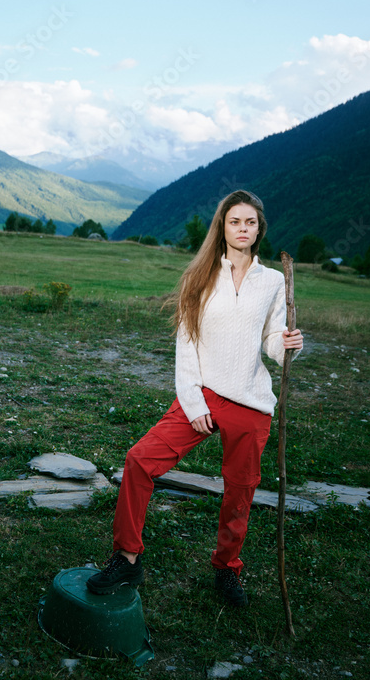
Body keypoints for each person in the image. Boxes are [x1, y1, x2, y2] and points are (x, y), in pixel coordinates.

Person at [87, 190, 303, 607]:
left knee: (239, 492)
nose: (243, 229)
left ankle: (226, 568)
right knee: (139, 460)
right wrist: (195, 403)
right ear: (222, 226)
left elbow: (272, 342)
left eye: (251, 223)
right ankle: (127, 557)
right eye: (235, 221)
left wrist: (288, 343)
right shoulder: (199, 277)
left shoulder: (273, 281)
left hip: (251, 403)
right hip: (203, 394)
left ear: (259, 230)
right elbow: (186, 347)